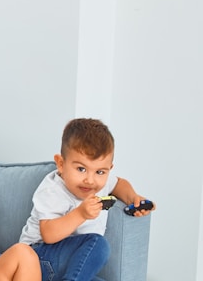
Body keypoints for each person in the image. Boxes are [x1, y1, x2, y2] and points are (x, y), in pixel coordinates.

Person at [19, 118, 155, 281]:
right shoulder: (53, 190)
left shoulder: (101, 182)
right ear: (61, 164)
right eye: (81, 169)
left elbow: (120, 184)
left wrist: (133, 197)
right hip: (36, 260)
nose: (90, 180)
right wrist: (80, 214)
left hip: (68, 265)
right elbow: (48, 234)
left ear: (109, 170)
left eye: (100, 172)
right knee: (99, 244)